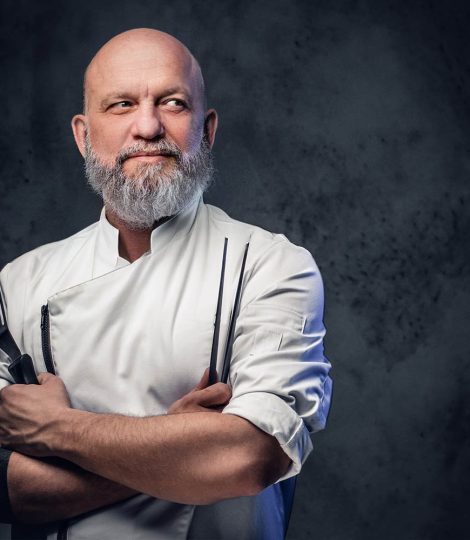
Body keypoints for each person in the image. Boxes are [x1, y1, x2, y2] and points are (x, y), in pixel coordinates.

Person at [0, 28, 332, 540]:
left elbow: (249, 457)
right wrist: (182, 443)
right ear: (83, 135)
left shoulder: (269, 265)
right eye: (121, 104)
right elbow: (6, 491)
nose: (148, 125)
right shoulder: (19, 284)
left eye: (173, 103)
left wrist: (57, 430)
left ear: (208, 129)